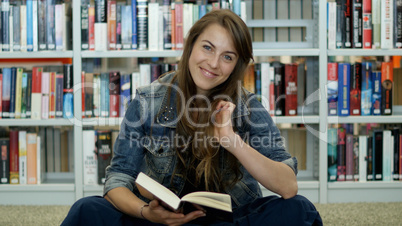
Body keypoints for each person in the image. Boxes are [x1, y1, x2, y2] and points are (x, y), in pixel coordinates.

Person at [62, 9, 322, 226]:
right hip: (160, 221)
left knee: (300, 210)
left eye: (227, 57)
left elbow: (288, 187)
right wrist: (147, 213)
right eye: (207, 48)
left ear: (236, 65)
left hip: (228, 221)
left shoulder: (249, 108)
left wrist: (231, 140)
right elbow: (118, 179)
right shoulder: (146, 101)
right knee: (87, 210)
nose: (213, 63)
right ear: (191, 44)